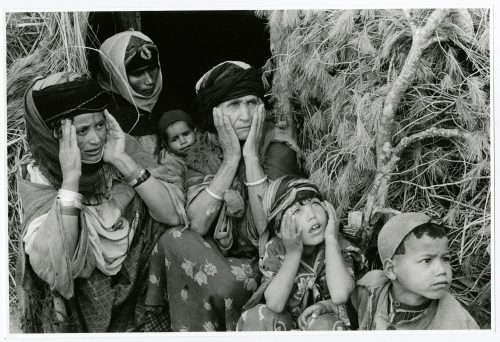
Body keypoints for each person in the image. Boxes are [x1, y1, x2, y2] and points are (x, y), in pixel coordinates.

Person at [15, 72, 187, 332]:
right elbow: (53, 266)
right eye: (82, 130)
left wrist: (122, 160)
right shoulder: (40, 177)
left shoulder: (121, 148)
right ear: (54, 134)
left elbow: (172, 216)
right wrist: (71, 179)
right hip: (87, 309)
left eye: (99, 125)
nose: (96, 140)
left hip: (142, 294)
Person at [144, 61, 302, 331]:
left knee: (225, 282)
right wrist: (230, 160)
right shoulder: (202, 146)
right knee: (174, 238)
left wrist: (250, 156)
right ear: (215, 113)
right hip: (216, 253)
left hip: (265, 260)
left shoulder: (276, 144)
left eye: (252, 103)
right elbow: (197, 223)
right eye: (234, 105)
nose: (246, 115)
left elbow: (268, 226)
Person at [300, 212, 479, 330]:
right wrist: (325, 306)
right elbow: (351, 306)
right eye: (426, 260)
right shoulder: (373, 287)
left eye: (445, 259)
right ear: (391, 270)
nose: (442, 270)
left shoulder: (456, 323)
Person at [236, 176, 359, 331]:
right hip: (286, 324)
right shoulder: (276, 249)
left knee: (325, 324)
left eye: (315, 204)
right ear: (280, 230)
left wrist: (331, 240)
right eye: (298, 210)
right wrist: (293, 254)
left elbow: (340, 295)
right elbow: (275, 304)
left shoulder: (338, 245)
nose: (312, 215)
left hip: (322, 322)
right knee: (258, 315)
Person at [98, 30, 184, 155]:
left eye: (152, 68)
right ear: (117, 75)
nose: (150, 81)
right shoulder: (108, 115)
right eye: (138, 74)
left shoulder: (172, 98)